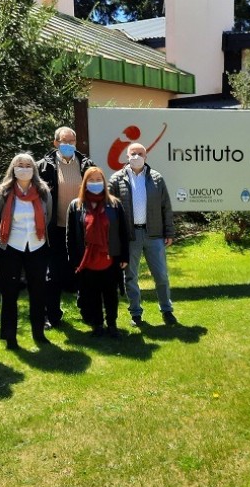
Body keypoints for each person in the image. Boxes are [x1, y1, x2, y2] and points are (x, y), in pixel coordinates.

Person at [109, 142, 176, 326]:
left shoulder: (156, 178)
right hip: (130, 237)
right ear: (127, 156)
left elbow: (166, 207)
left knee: (161, 275)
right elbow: (110, 210)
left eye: (140, 153)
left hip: (153, 234)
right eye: (133, 153)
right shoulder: (116, 179)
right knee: (130, 277)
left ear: (146, 157)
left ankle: (166, 310)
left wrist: (169, 232)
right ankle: (136, 314)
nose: (136, 156)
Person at [0, 153, 52, 350]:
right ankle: (10, 337)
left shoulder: (43, 191)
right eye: (20, 165)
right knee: (9, 293)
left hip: (36, 245)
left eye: (28, 165)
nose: (24, 168)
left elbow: (47, 216)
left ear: (33, 169)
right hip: (10, 248)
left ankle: (38, 332)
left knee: (39, 291)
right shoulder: (3, 192)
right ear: (13, 168)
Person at [37, 126, 95, 329]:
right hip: (55, 229)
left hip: (81, 230)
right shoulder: (43, 167)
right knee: (52, 275)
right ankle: (51, 316)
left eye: (72, 141)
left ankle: (88, 312)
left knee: (84, 271)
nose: (69, 145)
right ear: (55, 143)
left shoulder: (87, 164)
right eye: (64, 141)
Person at [67, 167, 129, 337]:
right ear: (85, 183)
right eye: (91, 180)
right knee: (91, 294)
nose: (95, 183)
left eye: (98, 180)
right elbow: (71, 236)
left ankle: (112, 325)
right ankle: (98, 325)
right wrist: (73, 261)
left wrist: (124, 256)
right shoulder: (76, 206)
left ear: (104, 182)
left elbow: (123, 232)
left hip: (110, 258)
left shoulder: (114, 204)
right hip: (87, 260)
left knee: (110, 294)